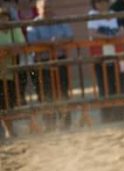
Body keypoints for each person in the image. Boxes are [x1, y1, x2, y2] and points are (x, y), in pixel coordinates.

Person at [27, 0, 74, 130]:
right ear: (38, 9)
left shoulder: (60, 21)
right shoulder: (33, 24)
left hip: (60, 60)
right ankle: (49, 124)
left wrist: (58, 41)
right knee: (44, 94)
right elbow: (32, 41)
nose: (47, 10)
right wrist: (50, 43)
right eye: (44, 7)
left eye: (49, 7)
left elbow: (70, 36)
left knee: (63, 91)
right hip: (42, 64)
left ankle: (65, 124)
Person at [0, 6, 25, 138]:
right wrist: (8, 50)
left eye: (5, 18)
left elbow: (21, 45)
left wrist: (6, 51)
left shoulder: (14, 28)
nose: (3, 21)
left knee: (9, 102)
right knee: (3, 103)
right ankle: (8, 130)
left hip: (11, 71)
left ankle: (10, 130)